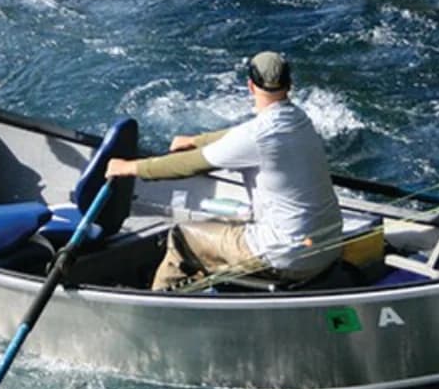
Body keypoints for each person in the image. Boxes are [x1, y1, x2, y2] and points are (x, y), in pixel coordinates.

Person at [106, 52, 342, 291]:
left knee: (182, 238)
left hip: (286, 258)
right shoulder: (301, 119)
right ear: (289, 85)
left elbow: (189, 165)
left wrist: (130, 167)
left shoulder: (257, 136)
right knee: (222, 224)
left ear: (250, 85)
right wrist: (197, 140)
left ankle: (154, 309)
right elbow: (242, 134)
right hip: (327, 247)